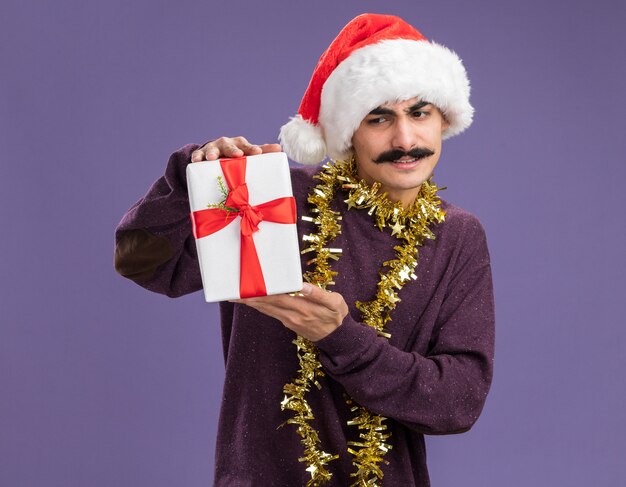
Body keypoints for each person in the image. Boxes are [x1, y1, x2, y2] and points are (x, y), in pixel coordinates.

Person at [115, 13, 495, 487]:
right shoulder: (275, 197)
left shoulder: (458, 236)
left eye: (419, 113)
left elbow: (456, 403)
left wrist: (339, 337)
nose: (404, 140)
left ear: (444, 119)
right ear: (347, 132)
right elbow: (142, 262)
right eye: (378, 118)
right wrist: (190, 177)